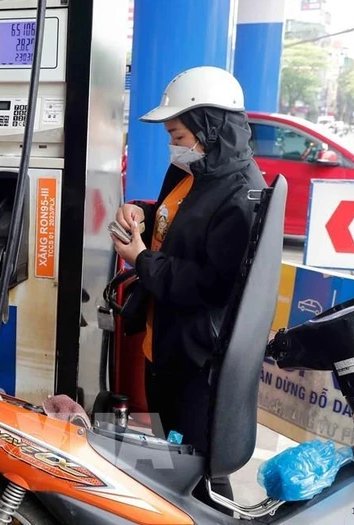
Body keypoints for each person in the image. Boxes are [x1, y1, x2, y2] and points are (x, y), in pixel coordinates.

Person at [111, 66, 266, 503]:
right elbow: (172, 220)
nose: (173, 147)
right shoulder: (194, 173)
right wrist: (140, 212)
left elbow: (213, 285)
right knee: (167, 461)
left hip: (197, 362)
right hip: (164, 348)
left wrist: (140, 258)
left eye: (178, 136)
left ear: (210, 128)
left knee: (198, 473)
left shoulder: (240, 193)